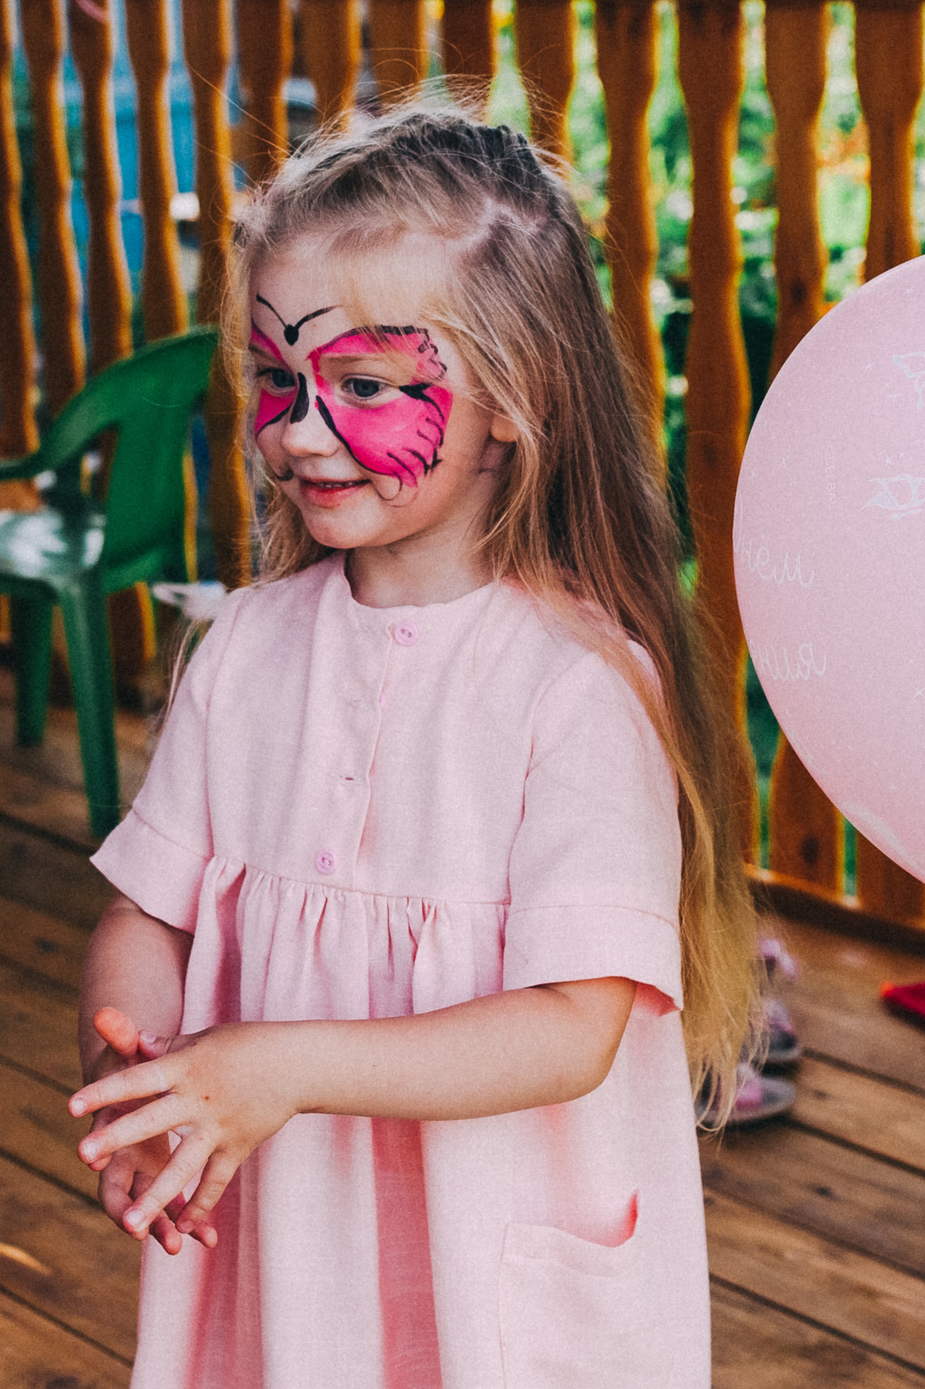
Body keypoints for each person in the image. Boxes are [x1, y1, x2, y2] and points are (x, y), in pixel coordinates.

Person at [68, 111, 764, 1386]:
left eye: (369, 385)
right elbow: (145, 912)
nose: (299, 427)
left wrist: (274, 1065)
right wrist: (140, 1069)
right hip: (285, 1264)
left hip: (490, 1276)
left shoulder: (579, 689)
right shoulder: (246, 651)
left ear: (511, 402)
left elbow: (571, 1026)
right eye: (277, 379)